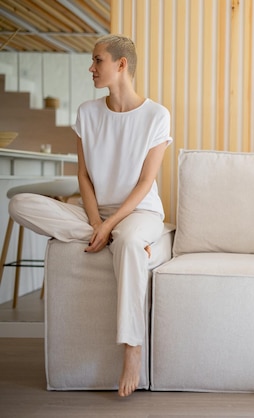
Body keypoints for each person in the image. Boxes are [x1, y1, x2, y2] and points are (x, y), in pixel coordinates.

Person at [9, 34, 172, 397]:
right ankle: (138, 242)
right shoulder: (87, 113)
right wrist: (97, 222)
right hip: (94, 215)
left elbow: (146, 182)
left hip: (138, 211)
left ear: (121, 65)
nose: (91, 68)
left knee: (129, 239)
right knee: (20, 204)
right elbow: (83, 176)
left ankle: (132, 347)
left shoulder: (156, 115)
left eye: (98, 60)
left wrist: (110, 226)